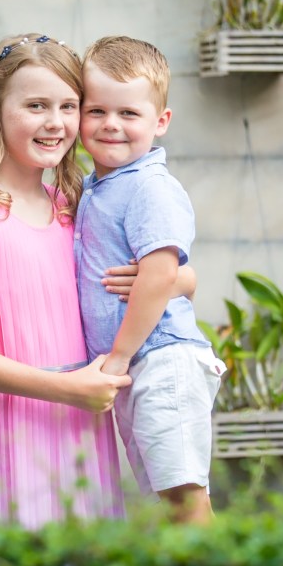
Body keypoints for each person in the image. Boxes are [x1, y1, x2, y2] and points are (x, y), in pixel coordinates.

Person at [0, 33, 193, 529]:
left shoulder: (72, 205)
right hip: (5, 426)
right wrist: (65, 388)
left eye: (70, 105)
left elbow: (169, 276)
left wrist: (174, 278)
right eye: (35, 105)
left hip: (77, 421)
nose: (55, 122)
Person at [75, 34, 225, 524]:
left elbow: (162, 275)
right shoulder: (98, 188)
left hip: (162, 360)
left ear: (160, 122)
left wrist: (116, 359)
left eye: (129, 113)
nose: (110, 125)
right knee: (170, 503)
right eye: (96, 111)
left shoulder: (149, 187)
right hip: (139, 365)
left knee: (185, 499)